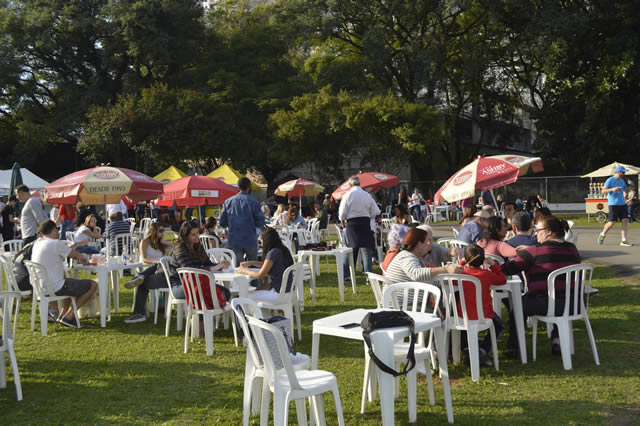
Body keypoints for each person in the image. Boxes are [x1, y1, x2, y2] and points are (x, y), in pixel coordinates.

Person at [502, 215, 580, 356]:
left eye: (538, 230)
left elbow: (508, 269)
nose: (535, 233)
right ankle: (556, 339)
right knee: (557, 293)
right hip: (573, 304)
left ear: (549, 232)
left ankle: (513, 346)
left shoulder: (534, 251)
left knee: (519, 305)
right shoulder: (572, 249)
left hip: (545, 304)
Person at [31, 220, 97, 328]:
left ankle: (63, 315)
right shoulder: (55, 243)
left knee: (67, 280)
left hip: (39, 287)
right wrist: (82, 258)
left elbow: (65, 252)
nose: (58, 232)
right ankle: (69, 316)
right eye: (57, 229)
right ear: (53, 230)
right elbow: (73, 254)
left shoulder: (37, 243)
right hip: (54, 287)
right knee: (93, 285)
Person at [458, 244, 506, 366]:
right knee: (499, 326)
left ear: (466, 258)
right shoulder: (487, 274)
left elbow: (454, 270)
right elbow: (502, 280)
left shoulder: (459, 275)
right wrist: (494, 265)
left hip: (462, 315)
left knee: (465, 325)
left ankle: (466, 349)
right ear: (483, 259)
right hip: (484, 314)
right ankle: (483, 350)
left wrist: (462, 263)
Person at [167, 222, 230, 310]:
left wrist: (221, 265)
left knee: (225, 293)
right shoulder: (180, 248)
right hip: (179, 285)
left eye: (198, 233)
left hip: (196, 283)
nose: (197, 236)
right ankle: (200, 319)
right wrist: (212, 268)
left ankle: (204, 317)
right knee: (203, 294)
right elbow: (189, 270)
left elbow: (207, 263)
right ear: (185, 236)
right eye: (193, 234)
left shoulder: (198, 245)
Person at [123, 222, 174, 323]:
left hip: (162, 272)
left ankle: (139, 313)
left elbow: (177, 247)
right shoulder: (145, 242)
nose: (163, 233)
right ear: (153, 231)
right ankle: (140, 278)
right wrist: (157, 261)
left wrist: (165, 242)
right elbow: (144, 259)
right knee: (144, 281)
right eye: (160, 231)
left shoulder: (161, 243)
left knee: (142, 281)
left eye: (163, 230)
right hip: (149, 268)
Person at [385, 228, 462, 287]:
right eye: (427, 241)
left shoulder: (410, 256)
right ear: (419, 244)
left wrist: (448, 280)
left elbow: (425, 280)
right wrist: (446, 269)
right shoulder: (406, 256)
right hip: (402, 306)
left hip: (406, 303)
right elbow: (416, 274)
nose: (429, 244)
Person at [236, 226, 295, 303]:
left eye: (260, 241)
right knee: (256, 291)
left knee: (246, 296)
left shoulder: (273, 253)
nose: (260, 244)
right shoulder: (282, 249)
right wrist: (252, 263)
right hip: (288, 292)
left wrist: (244, 271)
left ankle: (249, 315)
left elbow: (260, 275)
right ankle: (261, 314)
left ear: (266, 241)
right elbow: (268, 265)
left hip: (278, 293)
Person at [338, 175, 380, 274]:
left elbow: (342, 214)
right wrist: (369, 217)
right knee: (366, 250)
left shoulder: (347, 195)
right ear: (359, 183)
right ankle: (368, 276)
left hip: (352, 224)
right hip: (365, 223)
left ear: (349, 184)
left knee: (350, 250)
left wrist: (343, 221)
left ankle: (347, 275)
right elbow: (376, 211)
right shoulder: (367, 195)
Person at [219, 177, 265, 266]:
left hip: (234, 240)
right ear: (249, 187)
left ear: (238, 187)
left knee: (238, 268)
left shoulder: (228, 202)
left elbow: (222, 223)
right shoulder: (254, 202)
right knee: (254, 267)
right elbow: (260, 222)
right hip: (250, 239)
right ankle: (253, 280)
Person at [598, 165, 631, 246]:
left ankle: (624, 240)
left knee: (625, 220)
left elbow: (625, 190)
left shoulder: (622, 181)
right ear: (618, 172)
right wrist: (613, 189)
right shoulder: (610, 180)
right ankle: (602, 234)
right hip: (613, 204)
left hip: (622, 204)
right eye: (623, 172)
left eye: (624, 172)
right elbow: (603, 191)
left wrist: (627, 192)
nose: (624, 173)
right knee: (612, 222)